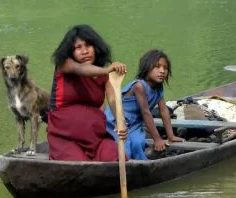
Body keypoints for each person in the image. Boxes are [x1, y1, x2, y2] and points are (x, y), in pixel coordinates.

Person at [47, 24, 128, 161]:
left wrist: (121, 122)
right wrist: (108, 70)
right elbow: (82, 69)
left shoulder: (105, 76)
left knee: (116, 157)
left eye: (88, 46)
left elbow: (113, 100)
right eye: (78, 47)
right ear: (71, 52)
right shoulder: (65, 65)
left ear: (96, 48)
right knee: (79, 165)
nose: (85, 51)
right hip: (65, 138)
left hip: (96, 138)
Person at [104, 49, 185, 160]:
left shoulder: (159, 87)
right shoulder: (139, 86)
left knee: (138, 143)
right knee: (125, 147)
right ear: (146, 68)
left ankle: (141, 166)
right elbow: (146, 112)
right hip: (117, 122)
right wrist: (157, 139)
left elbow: (163, 111)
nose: (162, 71)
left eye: (165, 68)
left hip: (135, 124)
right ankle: (126, 167)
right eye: (157, 67)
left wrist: (171, 136)